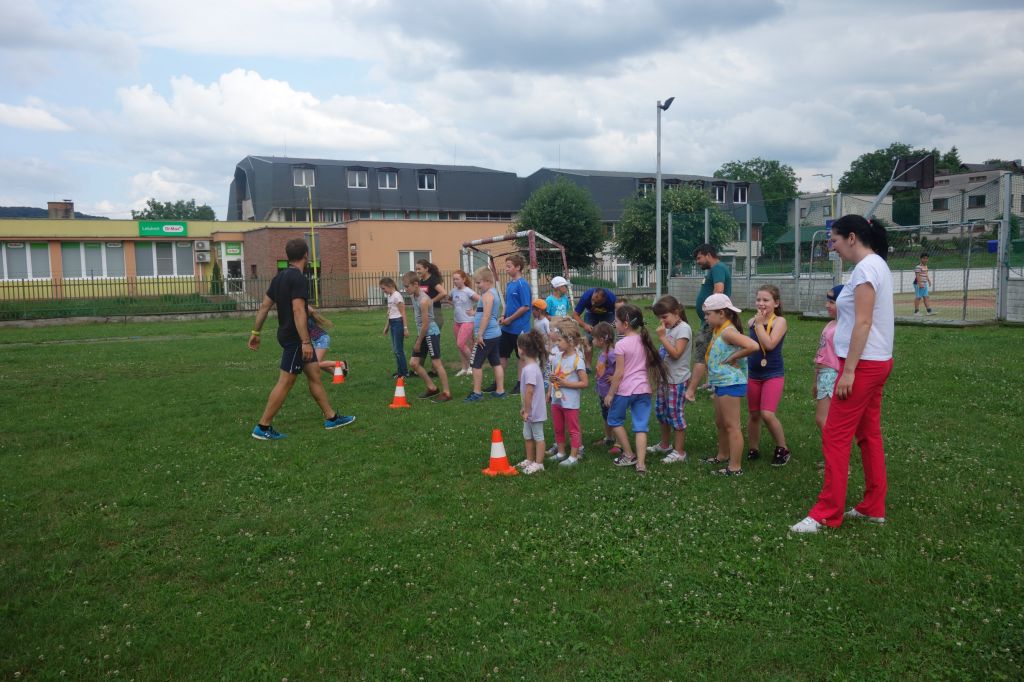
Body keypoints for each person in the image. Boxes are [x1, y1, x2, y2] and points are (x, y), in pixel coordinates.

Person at [791, 215, 895, 533]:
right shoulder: (874, 265)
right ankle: (873, 507)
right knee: (868, 434)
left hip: (863, 365)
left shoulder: (866, 268)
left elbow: (863, 322)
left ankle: (827, 513)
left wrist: (848, 371)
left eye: (833, 240)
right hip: (875, 362)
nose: (831, 247)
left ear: (851, 238)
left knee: (835, 436)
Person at [248, 238, 354, 439]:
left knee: (314, 375)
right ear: (306, 254)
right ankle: (263, 426)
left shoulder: (279, 278)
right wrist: (305, 341)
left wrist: (256, 333)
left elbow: (264, 307)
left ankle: (331, 418)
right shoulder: (298, 278)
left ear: (288, 256)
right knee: (285, 382)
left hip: (288, 334)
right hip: (295, 339)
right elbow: (298, 310)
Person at [698, 294, 759, 476]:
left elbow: (753, 346)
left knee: (732, 425)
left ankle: (735, 467)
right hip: (720, 383)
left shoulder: (728, 332)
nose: (705, 318)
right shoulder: (719, 329)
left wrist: (734, 357)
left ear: (722, 313)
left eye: (708, 314)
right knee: (721, 422)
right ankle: (723, 455)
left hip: (730, 383)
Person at [606, 304, 666, 475]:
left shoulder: (621, 344)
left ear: (625, 324)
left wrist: (610, 393)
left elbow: (619, 373)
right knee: (641, 427)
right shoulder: (645, 340)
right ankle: (641, 464)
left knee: (614, 420)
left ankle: (628, 454)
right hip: (644, 390)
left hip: (625, 390)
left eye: (616, 321)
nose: (615, 324)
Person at [746, 285, 790, 467]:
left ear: (776, 303)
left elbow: (770, 345)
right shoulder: (751, 321)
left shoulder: (779, 321)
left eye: (766, 300)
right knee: (754, 414)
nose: (761, 303)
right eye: (758, 299)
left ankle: (783, 448)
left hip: (773, 374)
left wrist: (759, 325)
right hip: (754, 374)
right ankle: (753, 448)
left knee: (767, 413)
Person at [647, 295, 692, 464]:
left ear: (676, 312)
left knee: (675, 414)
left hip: (677, 380)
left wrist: (662, 338)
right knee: (661, 412)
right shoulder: (669, 328)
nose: (662, 321)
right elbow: (664, 353)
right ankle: (665, 445)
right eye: (659, 317)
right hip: (665, 379)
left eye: (664, 317)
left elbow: (676, 354)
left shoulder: (683, 329)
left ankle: (679, 452)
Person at [685, 244, 732, 403]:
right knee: (712, 351)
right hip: (709, 320)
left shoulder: (717, 268)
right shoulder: (715, 269)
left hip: (711, 321)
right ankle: (711, 383)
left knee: (701, 352)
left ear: (708, 255)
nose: (698, 262)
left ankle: (690, 392)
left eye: (699, 258)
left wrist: (709, 312)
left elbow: (719, 290)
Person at [402, 271, 452, 403]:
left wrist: (418, 342)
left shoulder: (424, 300)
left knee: (436, 363)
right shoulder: (413, 295)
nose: (405, 289)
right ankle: (432, 388)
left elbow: (426, 324)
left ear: (415, 284)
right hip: (423, 333)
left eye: (407, 286)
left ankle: (447, 393)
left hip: (430, 333)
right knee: (414, 363)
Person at [547, 320, 589, 467]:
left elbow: (585, 383)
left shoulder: (578, 360)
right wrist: (551, 386)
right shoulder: (557, 357)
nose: (557, 343)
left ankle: (573, 456)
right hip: (556, 400)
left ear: (570, 341)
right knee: (558, 427)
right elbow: (555, 375)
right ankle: (561, 452)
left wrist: (566, 384)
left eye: (559, 340)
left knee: (573, 429)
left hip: (570, 402)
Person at [465, 267, 506, 402]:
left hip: (487, 336)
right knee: (495, 362)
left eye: (479, 283)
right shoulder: (491, 292)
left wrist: (480, 334)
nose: (477, 286)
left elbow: (487, 315)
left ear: (488, 281)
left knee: (476, 363)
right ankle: (500, 391)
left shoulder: (488, 295)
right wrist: (475, 313)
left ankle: (477, 393)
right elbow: (484, 311)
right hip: (494, 334)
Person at [515, 329, 550, 475]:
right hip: (529, 410)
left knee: (538, 436)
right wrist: (525, 408)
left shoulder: (530, 369)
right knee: (527, 435)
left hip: (535, 411)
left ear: (522, 350)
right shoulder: (530, 367)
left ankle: (539, 463)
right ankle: (530, 459)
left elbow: (529, 392)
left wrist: (527, 410)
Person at [497, 254, 532, 394]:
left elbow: (525, 307)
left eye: (509, 266)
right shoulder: (509, 284)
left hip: (519, 328)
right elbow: (506, 304)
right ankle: (498, 382)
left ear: (518, 267)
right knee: (502, 354)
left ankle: (520, 383)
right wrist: (503, 316)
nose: (506, 269)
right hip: (506, 327)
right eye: (506, 266)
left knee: (521, 356)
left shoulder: (523, 284)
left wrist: (510, 319)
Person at [813, 285, 843, 447]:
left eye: (832, 302)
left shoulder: (845, 327)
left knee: (822, 418)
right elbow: (821, 352)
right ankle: (835, 453)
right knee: (827, 419)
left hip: (832, 375)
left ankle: (836, 453)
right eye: (827, 301)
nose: (827, 305)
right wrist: (815, 380)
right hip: (823, 374)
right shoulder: (831, 324)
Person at [590, 321, 622, 456]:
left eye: (594, 338)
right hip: (603, 393)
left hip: (611, 393)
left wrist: (614, 377)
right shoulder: (603, 353)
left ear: (601, 340)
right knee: (606, 416)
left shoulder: (613, 354)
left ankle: (619, 443)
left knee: (614, 417)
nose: (592, 341)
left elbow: (623, 369)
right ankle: (609, 438)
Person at [572, 286, 617, 369]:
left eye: (596, 302)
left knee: (609, 338)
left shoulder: (612, 299)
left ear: (604, 300)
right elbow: (575, 315)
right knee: (588, 338)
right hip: (591, 314)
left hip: (608, 314)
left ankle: (611, 362)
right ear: (593, 294)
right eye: (592, 300)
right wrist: (585, 325)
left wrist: (613, 324)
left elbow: (618, 316)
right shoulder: (586, 297)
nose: (593, 303)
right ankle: (588, 366)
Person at [449, 269, 480, 377]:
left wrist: (474, 312)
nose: (455, 281)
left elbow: (482, 301)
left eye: (457, 279)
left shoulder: (468, 291)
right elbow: (449, 299)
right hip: (457, 322)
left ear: (464, 279)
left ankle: (473, 364)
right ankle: (464, 368)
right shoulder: (453, 291)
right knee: (460, 346)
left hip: (467, 321)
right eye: (454, 279)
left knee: (460, 344)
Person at [307, 305, 348, 377]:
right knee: (319, 363)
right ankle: (337, 375)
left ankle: (341, 363)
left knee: (317, 363)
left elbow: (311, 310)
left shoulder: (307, 316)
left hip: (321, 339)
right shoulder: (302, 317)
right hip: (317, 340)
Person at [379, 277, 408, 379]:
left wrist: (405, 328)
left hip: (398, 323)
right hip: (392, 323)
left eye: (383, 288)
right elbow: (390, 313)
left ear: (390, 285)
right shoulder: (390, 296)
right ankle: (400, 372)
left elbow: (403, 312)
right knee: (395, 350)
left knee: (399, 350)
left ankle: (404, 373)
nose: (383, 291)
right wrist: (386, 327)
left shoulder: (397, 296)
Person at [415, 259, 448, 329]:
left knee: (432, 334)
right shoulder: (421, 281)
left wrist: (431, 301)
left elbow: (443, 293)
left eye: (419, 269)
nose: (417, 271)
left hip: (435, 312)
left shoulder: (432, 280)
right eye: (416, 269)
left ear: (426, 269)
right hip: (426, 312)